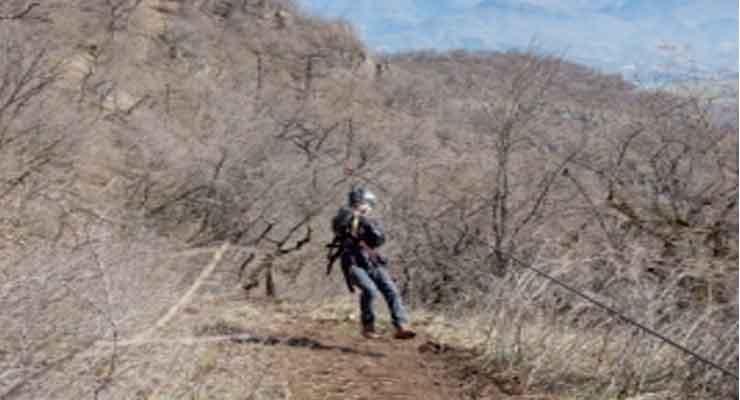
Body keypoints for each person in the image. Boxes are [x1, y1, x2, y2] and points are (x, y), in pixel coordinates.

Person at [330, 186, 416, 340]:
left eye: (369, 205)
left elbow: (378, 240)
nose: (368, 207)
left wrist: (365, 222)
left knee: (391, 290)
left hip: (371, 261)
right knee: (370, 290)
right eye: (367, 204)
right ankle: (368, 326)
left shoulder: (372, 221)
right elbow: (338, 227)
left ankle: (401, 326)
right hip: (352, 261)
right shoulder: (343, 215)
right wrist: (353, 214)